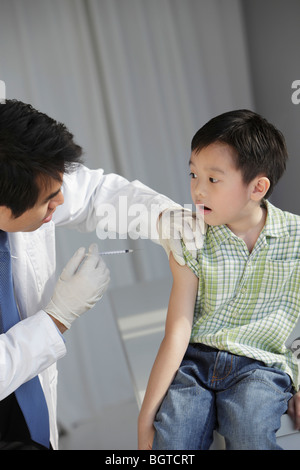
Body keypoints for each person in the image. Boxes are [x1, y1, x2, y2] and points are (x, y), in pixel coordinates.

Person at [0, 99, 203, 450]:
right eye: (48, 200)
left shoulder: (24, 172)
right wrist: (56, 319)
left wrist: (161, 217)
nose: (61, 202)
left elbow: (94, 194)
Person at [138, 109, 300, 450]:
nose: (197, 190)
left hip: (261, 367)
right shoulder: (190, 236)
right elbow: (177, 330)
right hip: (195, 363)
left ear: (257, 187)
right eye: (193, 175)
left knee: (251, 433)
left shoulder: (296, 238)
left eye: (213, 179)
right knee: (173, 442)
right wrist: (144, 419)